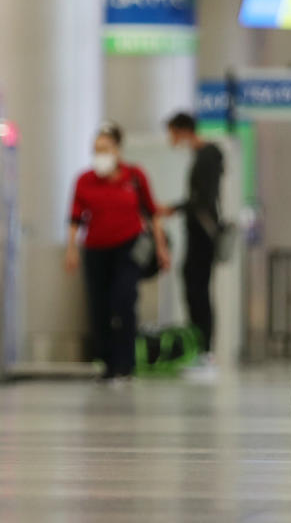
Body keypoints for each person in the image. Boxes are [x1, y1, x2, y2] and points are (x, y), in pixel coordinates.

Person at [65, 122, 169, 381]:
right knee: (99, 306)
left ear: (118, 150)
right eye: (96, 150)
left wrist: (161, 247)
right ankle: (107, 363)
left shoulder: (135, 176)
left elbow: (152, 213)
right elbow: (75, 218)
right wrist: (71, 249)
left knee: (124, 301)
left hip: (128, 245)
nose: (100, 155)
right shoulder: (84, 180)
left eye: (105, 149)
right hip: (95, 249)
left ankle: (126, 364)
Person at [164, 112, 225, 365]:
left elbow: (204, 199)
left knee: (198, 288)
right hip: (196, 232)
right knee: (192, 286)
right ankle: (198, 346)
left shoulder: (208, 155)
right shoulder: (200, 155)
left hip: (204, 234)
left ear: (183, 130)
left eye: (172, 133)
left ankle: (204, 349)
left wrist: (174, 208)